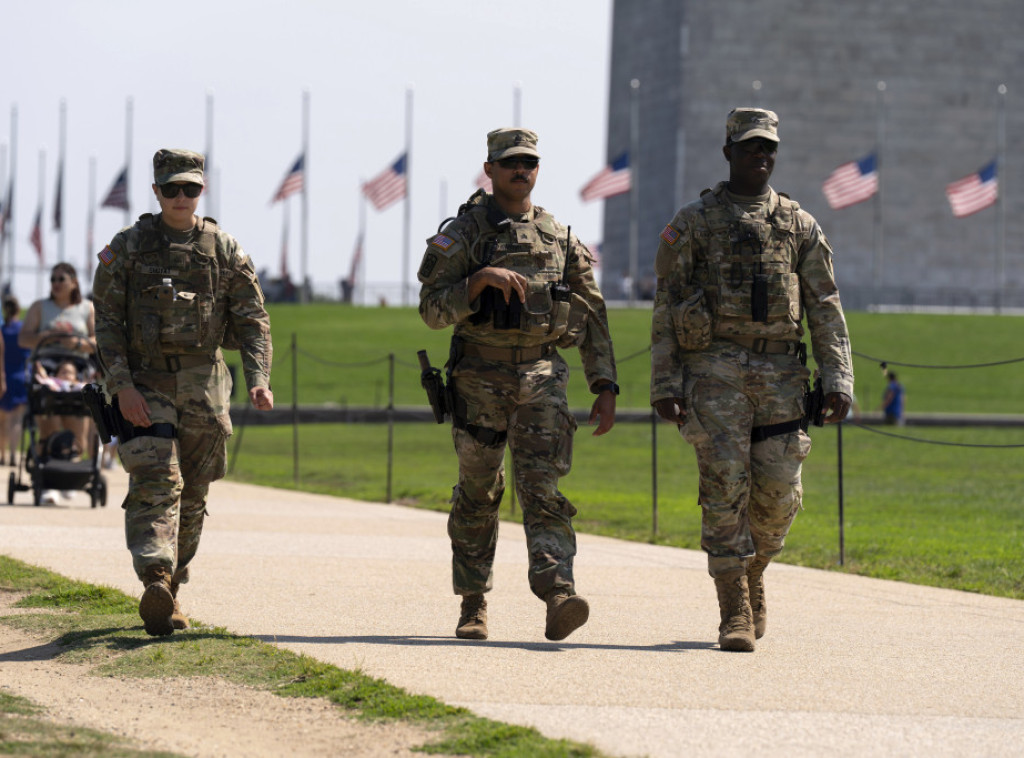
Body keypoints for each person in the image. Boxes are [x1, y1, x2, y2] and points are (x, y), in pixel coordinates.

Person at [650, 108, 854, 652]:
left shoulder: (798, 224)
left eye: (768, 149)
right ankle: (732, 605)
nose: (760, 157)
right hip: (713, 371)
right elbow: (667, 304)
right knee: (723, 486)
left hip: (782, 373)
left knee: (779, 495)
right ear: (728, 153)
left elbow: (825, 305)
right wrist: (665, 383)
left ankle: (754, 568)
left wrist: (838, 376)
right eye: (749, 149)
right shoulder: (694, 221)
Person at [418, 128, 618, 642]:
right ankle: (473, 601)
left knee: (543, 490)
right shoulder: (463, 234)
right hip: (479, 380)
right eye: (510, 162)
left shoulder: (558, 236)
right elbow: (432, 311)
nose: (520, 170)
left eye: (528, 162)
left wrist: (605, 384)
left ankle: (558, 593)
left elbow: (591, 314)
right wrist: (476, 283)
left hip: (541, 379)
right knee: (478, 494)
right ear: (490, 169)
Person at [92, 148, 274, 637]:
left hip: (204, 384)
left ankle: (172, 586)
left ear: (201, 191)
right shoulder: (128, 248)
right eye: (170, 188)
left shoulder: (225, 249)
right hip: (146, 384)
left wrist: (259, 378)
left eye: (189, 188)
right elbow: (106, 324)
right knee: (156, 480)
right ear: (155, 191)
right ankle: (154, 574)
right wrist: (122, 386)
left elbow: (254, 320)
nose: (180, 197)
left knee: (193, 494)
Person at [19, 264, 96, 483]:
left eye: (61, 279)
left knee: (76, 409)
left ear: (74, 282)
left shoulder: (86, 308)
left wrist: (77, 344)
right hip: (47, 366)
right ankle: (47, 466)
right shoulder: (39, 307)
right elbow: (23, 338)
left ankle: (73, 465)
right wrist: (47, 336)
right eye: (52, 279)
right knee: (46, 407)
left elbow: (97, 341)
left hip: (77, 367)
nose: (55, 283)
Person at [0, 295, 28, 466]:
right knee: (16, 420)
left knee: (2, 420)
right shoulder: (23, 330)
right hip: (20, 377)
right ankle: (12, 456)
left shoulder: (2, 331)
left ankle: (2, 455)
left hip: (2, 376)